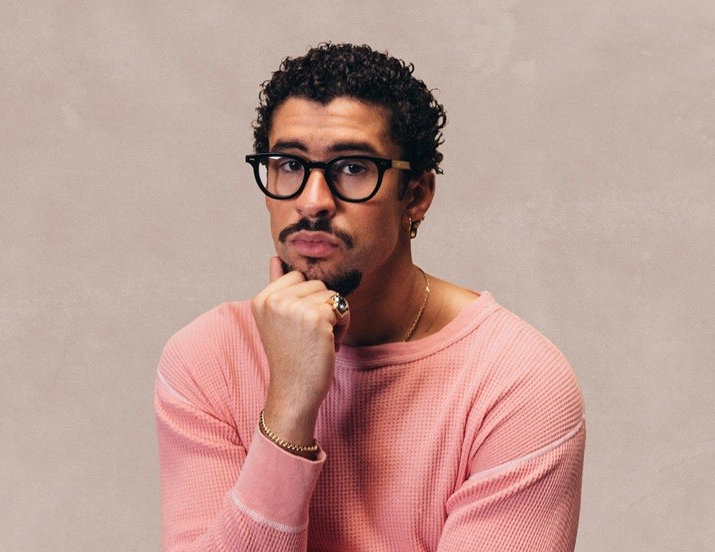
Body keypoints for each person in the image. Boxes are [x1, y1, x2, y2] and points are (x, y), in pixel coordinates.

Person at [155, 43, 585, 551]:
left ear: (416, 195)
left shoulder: (517, 381)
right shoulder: (208, 359)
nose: (312, 201)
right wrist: (289, 407)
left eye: (353, 168)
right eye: (289, 164)